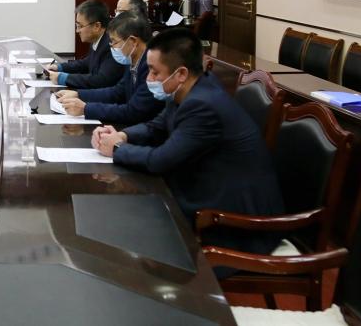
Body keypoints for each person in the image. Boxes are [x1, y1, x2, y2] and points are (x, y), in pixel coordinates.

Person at [92, 28, 284, 266]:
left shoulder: (203, 105)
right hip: (206, 191)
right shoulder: (190, 89)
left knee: (133, 227)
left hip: (235, 223)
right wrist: (121, 135)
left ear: (181, 73)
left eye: (154, 72)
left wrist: (117, 149)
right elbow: (155, 127)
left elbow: (161, 160)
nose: (148, 79)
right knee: (128, 215)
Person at [55, 13, 162, 125]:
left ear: (133, 41)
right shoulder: (132, 60)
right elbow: (117, 92)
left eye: (114, 42)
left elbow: (133, 111)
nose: (111, 47)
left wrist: (86, 109)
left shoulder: (152, 67)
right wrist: (78, 94)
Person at [47, 0, 122, 90]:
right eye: (77, 26)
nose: (77, 31)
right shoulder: (97, 40)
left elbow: (101, 80)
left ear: (97, 26)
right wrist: (60, 67)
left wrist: (64, 78)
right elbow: (86, 63)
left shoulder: (111, 45)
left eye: (80, 26)